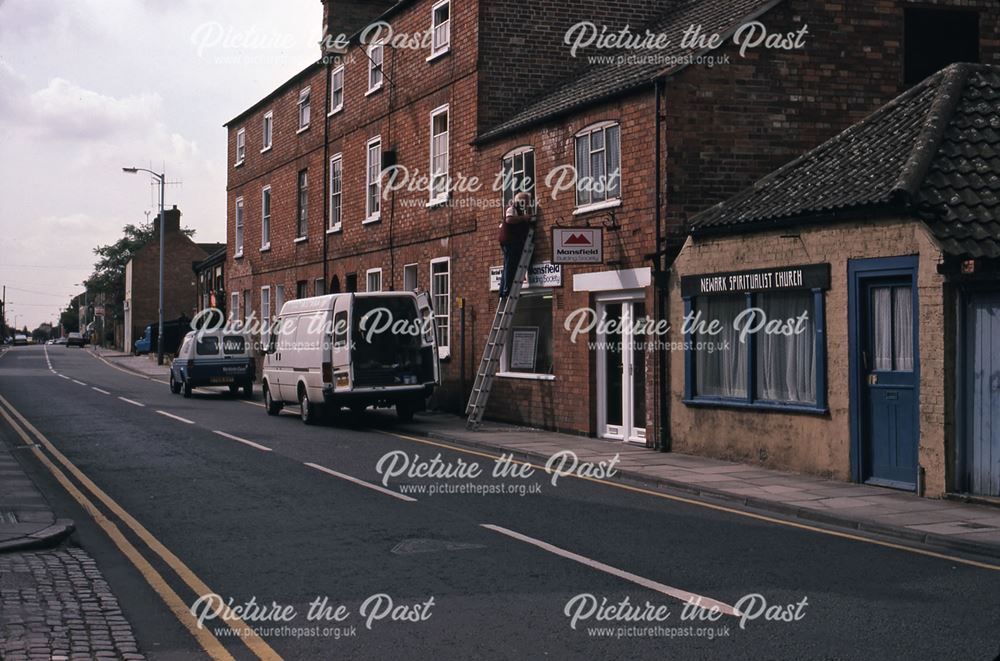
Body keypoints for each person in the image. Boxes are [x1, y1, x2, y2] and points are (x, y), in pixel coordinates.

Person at [498, 191, 535, 298]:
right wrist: (524, 218)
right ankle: (507, 289)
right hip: (510, 241)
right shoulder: (512, 208)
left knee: (507, 266)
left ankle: (503, 290)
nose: (527, 204)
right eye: (526, 202)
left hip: (509, 241)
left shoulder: (518, 210)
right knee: (510, 266)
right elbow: (509, 219)